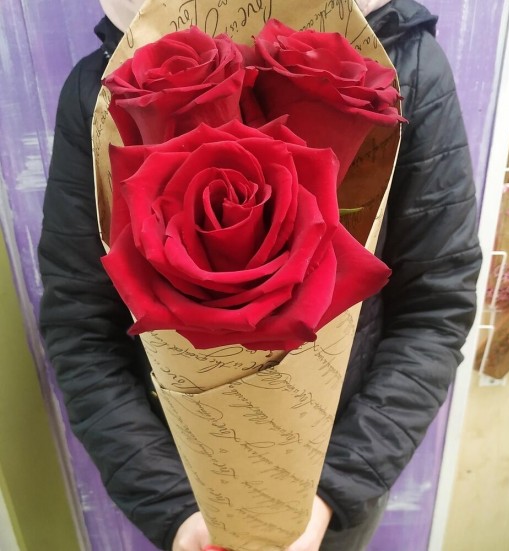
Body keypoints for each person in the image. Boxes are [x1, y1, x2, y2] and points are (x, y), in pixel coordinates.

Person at [38, 0, 482, 550]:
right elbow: (79, 326)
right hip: (185, 495)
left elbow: (436, 307)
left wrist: (330, 494)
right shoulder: (109, 87)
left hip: (333, 501)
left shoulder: (400, 65)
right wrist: (176, 509)